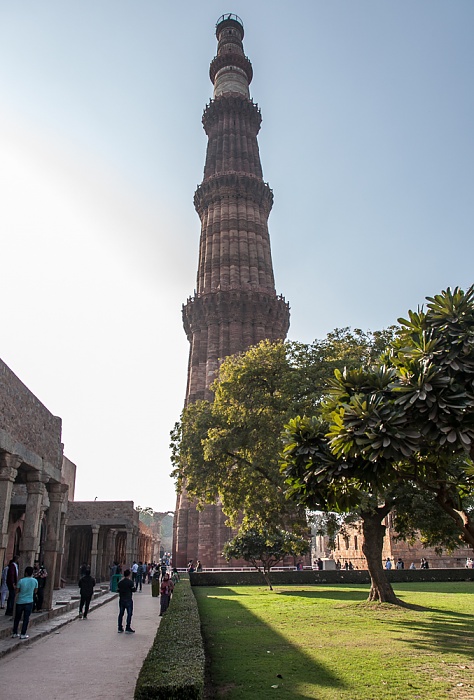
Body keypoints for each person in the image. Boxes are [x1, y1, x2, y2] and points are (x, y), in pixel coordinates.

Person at [11, 565, 38, 639]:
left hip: (20, 601)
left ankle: (15, 633)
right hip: (29, 601)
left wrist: (15, 588)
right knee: (26, 618)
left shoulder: (21, 581)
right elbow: (35, 591)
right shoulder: (35, 581)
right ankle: (23, 633)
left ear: (25, 573)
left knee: (17, 618)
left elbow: (17, 591)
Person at [117, 569, 136, 633]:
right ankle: (127, 627)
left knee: (121, 613)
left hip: (122, 599)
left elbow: (118, 590)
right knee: (129, 614)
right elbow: (133, 590)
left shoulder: (120, 582)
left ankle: (120, 627)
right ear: (129, 575)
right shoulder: (130, 582)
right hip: (128, 599)